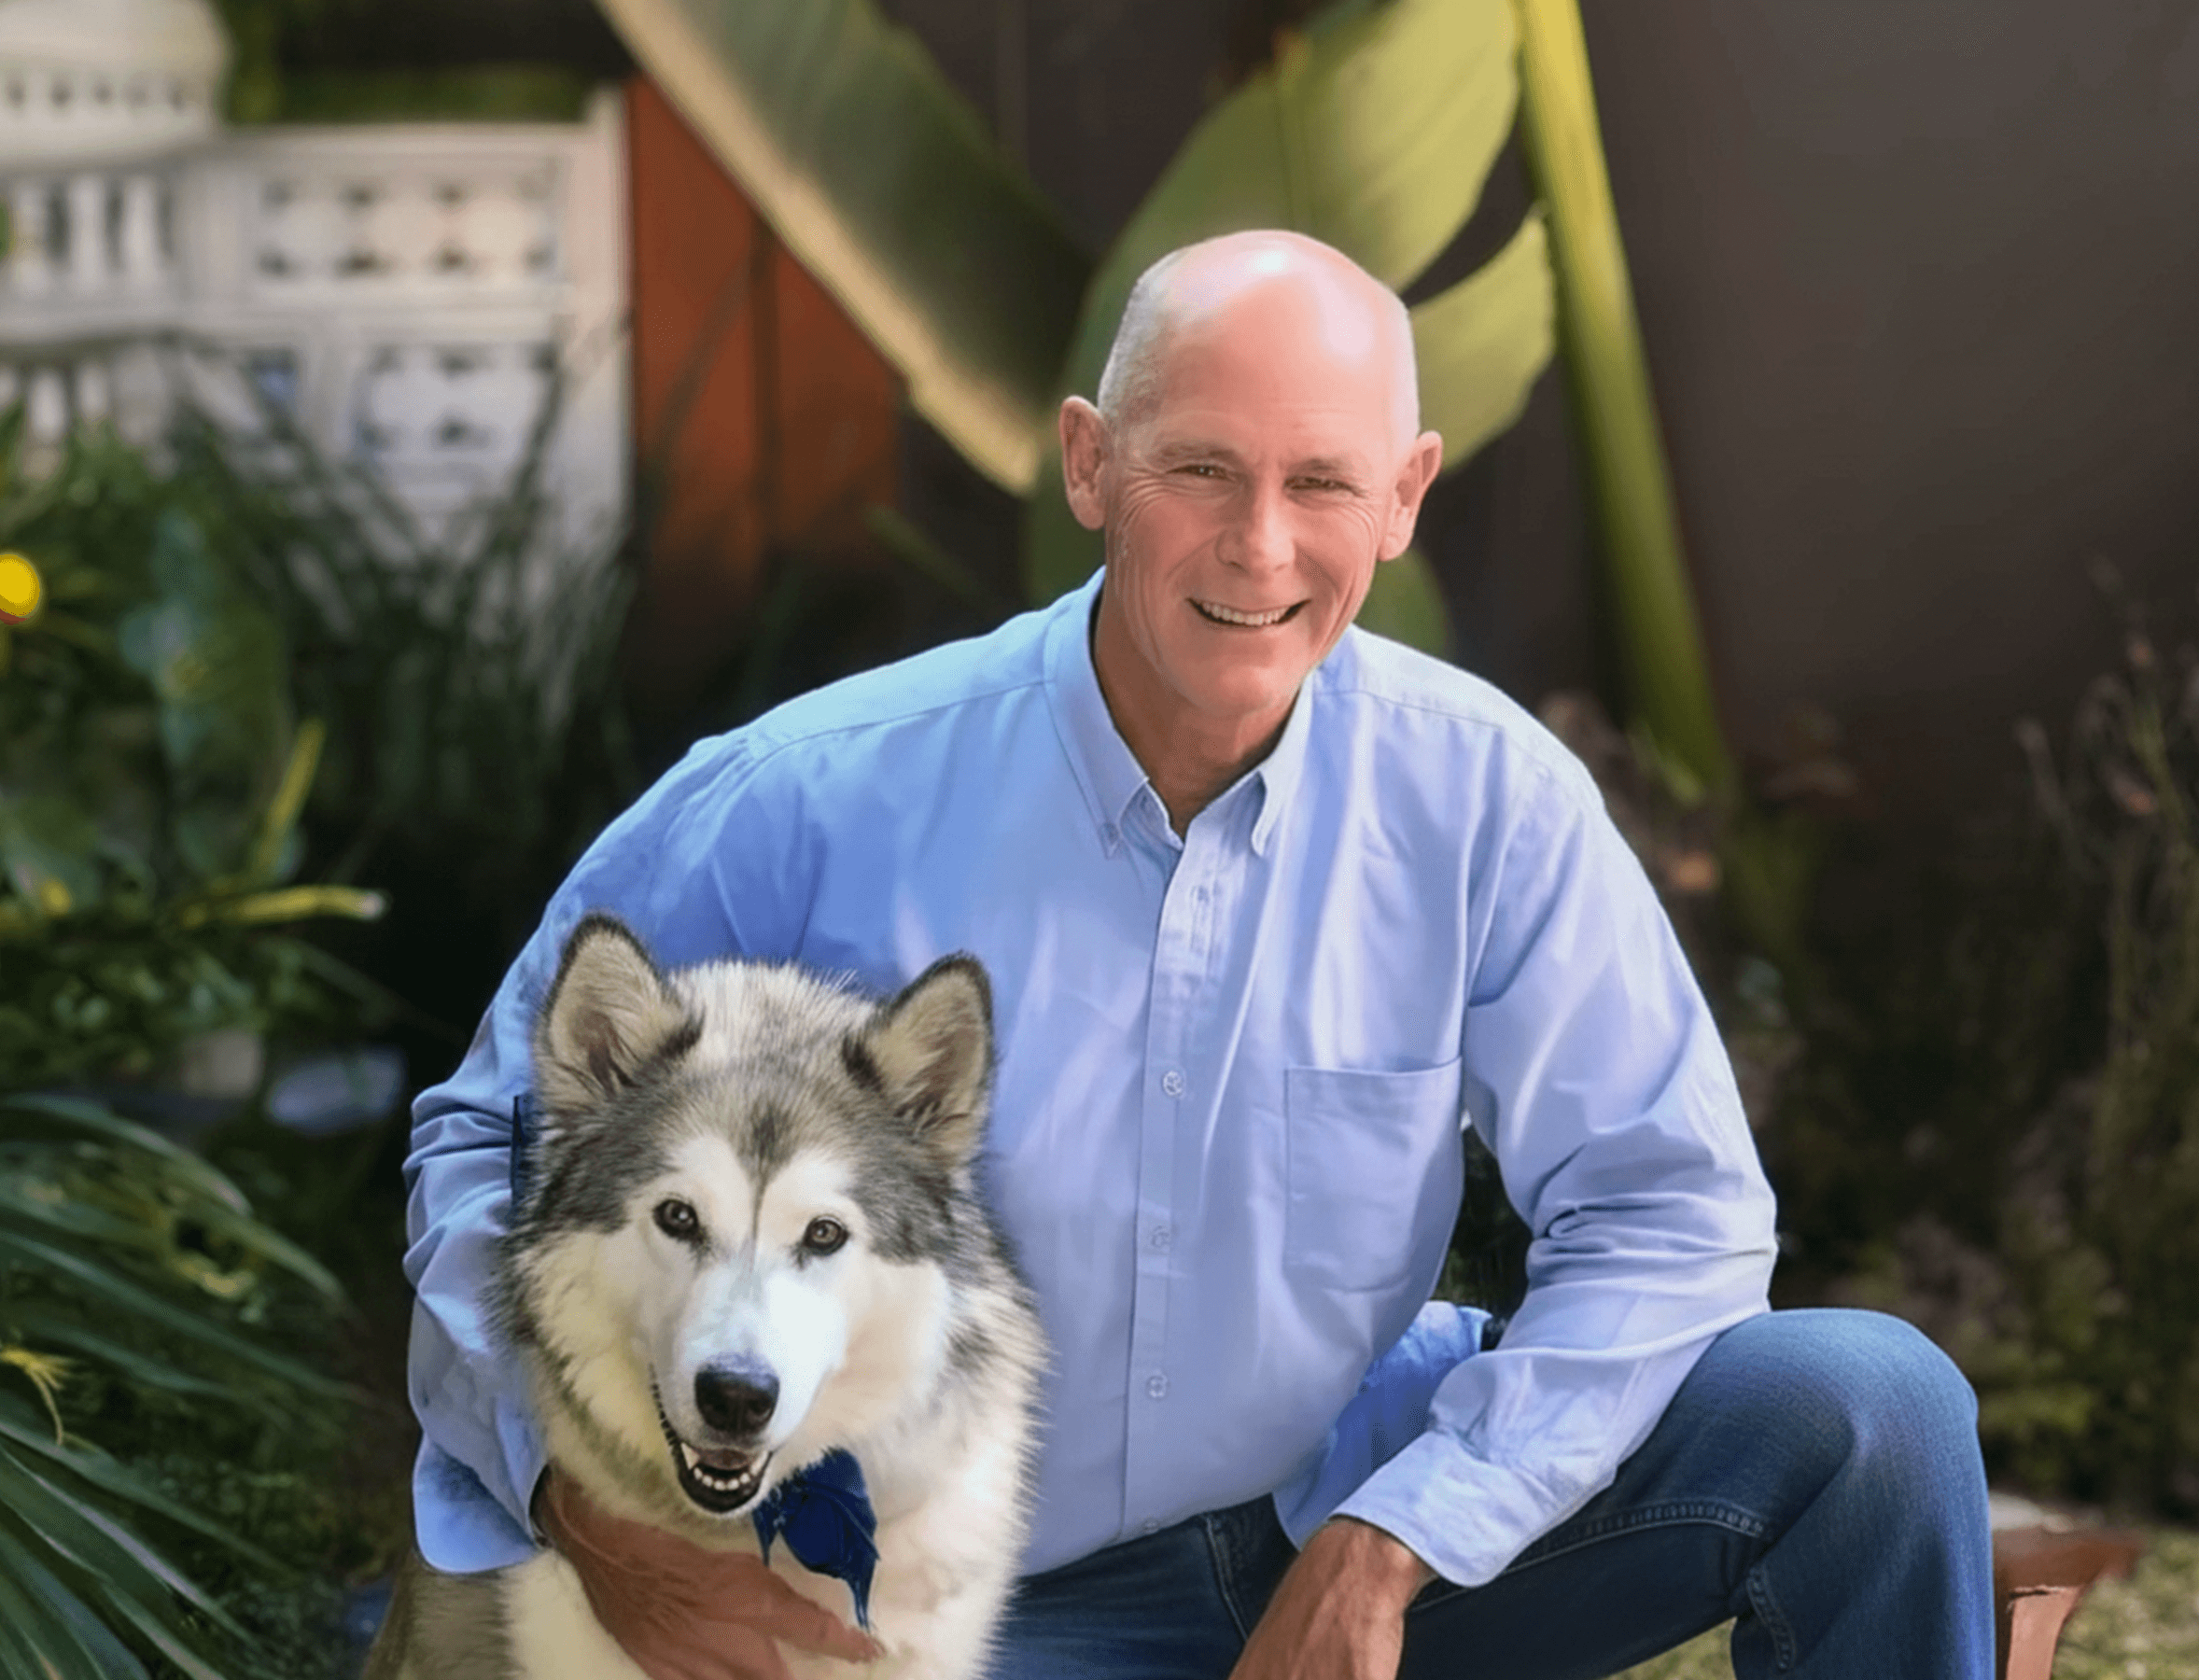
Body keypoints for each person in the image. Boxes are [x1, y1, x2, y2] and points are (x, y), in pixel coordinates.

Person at [402, 229, 1996, 1679]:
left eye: (1322, 482)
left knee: (1868, 1409)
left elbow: (1674, 1210)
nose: (1260, 547)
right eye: (1202, 470)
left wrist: (1403, 1536)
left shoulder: (1485, 799)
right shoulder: (803, 798)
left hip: (1353, 1525)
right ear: (1091, 467)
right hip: (942, 1598)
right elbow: (486, 1138)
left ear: (1407, 494)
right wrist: (577, 1505)